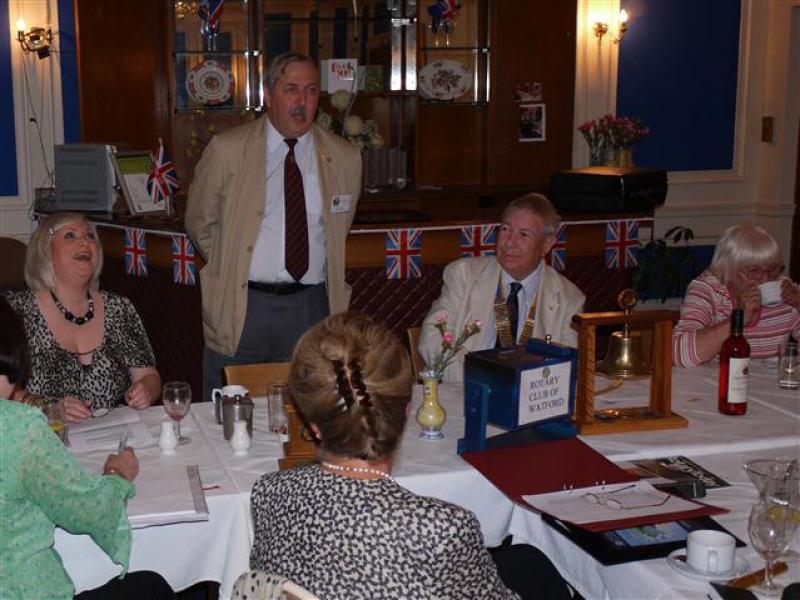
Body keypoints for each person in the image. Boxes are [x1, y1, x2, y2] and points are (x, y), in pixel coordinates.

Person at [249, 312, 573, 600]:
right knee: (540, 572)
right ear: (406, 412)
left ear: (313, 425)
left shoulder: (269, 493)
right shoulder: (441, 529)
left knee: (526, 561)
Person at [186, 51, 362, 402]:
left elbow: (338, 229)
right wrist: (234, 263)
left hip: (310, 307)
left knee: (308, 411)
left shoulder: (345, 157)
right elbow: (199, 222)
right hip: (243, 307)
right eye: (291, 89)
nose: (302, 101)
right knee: (229, 413)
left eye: (311, 90)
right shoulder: (228, 150)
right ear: (268, 95)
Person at [0, 295, 174, 600]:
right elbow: (87, 510)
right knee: (151, 587)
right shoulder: (19, 427)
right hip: (24, 591)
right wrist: (117, 475)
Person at [4, 213, 161, 422]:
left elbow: (149, 376)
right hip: (41, 434)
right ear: (45, 250)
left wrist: (145, 390)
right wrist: (49, 409)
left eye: (90, 236)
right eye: (70, 235)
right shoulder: (15, 311)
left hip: (115, 434)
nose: (85, 242)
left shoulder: (119, 307)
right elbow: (4, 390)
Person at [418, 193, 585, 381]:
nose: (510, 243)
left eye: (524, 234)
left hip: (531, 395)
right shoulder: (464, 275)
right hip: (466, 387)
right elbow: (433, 338)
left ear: (547, 244)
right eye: (506, 229)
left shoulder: (569, 299)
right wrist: (481, 382)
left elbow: (568, 367)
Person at [673, 224, 800, 367]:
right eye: (753, 271)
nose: (765, 280)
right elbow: (678, 355)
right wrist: (738, 319)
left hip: (769, 382)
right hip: (718, 380)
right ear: (727, 269)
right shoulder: (708, 290)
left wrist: (798, 304)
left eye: (772, 269)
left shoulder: (784, 291)